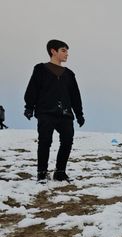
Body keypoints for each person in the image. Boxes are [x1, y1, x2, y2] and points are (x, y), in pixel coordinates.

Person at [24, 39, 84, 183]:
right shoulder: (40, 69)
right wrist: (29, 107)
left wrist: (79, 114)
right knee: (45, 141)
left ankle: (60, 172)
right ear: (53, 51)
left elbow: (75, 95)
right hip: (46, 112)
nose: (67, 54)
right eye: (63, 51)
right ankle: (42, 173)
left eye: (67, 51)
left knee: (67, 140)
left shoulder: (69, 74)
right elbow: (33, 89)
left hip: (65, 114)